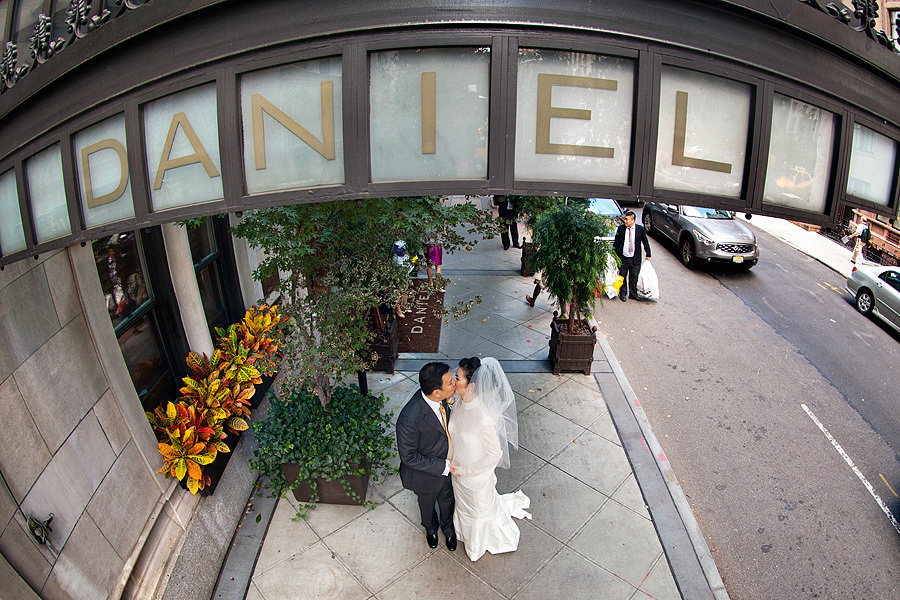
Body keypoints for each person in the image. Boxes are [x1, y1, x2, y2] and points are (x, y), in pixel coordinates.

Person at [449, 357, 531, 561]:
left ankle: (479, 542)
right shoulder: (458, 403)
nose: (453, 380)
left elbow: (495, 454)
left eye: (457, 378)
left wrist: (465, 471)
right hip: (456, 471)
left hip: (474, 477)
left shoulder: (483, 418)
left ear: (472, 385)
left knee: (478, 512)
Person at [396, 362, 458, 551]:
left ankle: (449, 530)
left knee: (447, 501)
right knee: (427, 505)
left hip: (447, 467)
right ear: (436, 392)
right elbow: (409, 457)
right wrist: (443, 466)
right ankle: (431, 529)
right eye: (449, 382)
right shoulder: (410, 418)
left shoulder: (442, 399)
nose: (454, 383)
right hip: (426, 475)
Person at [613, 209, 651, 302]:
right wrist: (614, 254)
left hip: (635, 258)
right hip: (623, 257)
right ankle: (623, 293)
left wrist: (648, 253)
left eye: (627, 219)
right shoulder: (621, 228)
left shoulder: (640, 229)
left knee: (634, 276)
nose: (625, 221)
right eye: (625, 219)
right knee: (623, 276)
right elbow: (616, 242)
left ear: (633, 220)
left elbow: (645, 241)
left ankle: (633, 293)